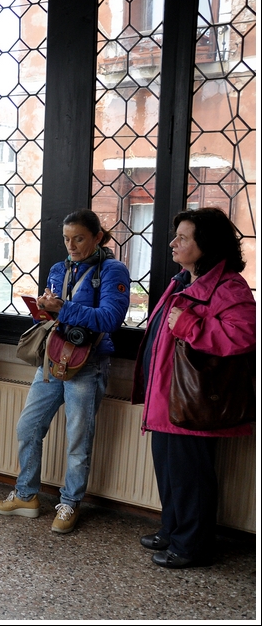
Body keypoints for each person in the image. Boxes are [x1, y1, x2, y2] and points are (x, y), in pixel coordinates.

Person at [0, 209, 130, 533]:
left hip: (88, 363)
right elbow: (53, 317)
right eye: (67, 239)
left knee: (77, 439)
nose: (71, 245)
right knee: (28, 427)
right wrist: (43, 308)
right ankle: (26, 495)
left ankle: (70, 503)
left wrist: (63, 308)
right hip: (54, 358)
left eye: (79, 238)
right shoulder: (59, 269)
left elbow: (110, 319)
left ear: (97, 237)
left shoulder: (113, 271)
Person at [132, 208, 255, 568]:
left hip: (193, 400)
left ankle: (192, 547)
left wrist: (190, 326)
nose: (173, 243)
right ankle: (173, 530)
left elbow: (244, 336)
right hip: (167, 397)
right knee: (171, 473)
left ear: (207, 246)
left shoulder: (229, 287)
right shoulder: (185, 280)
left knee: (191, 478)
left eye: (183, 238)